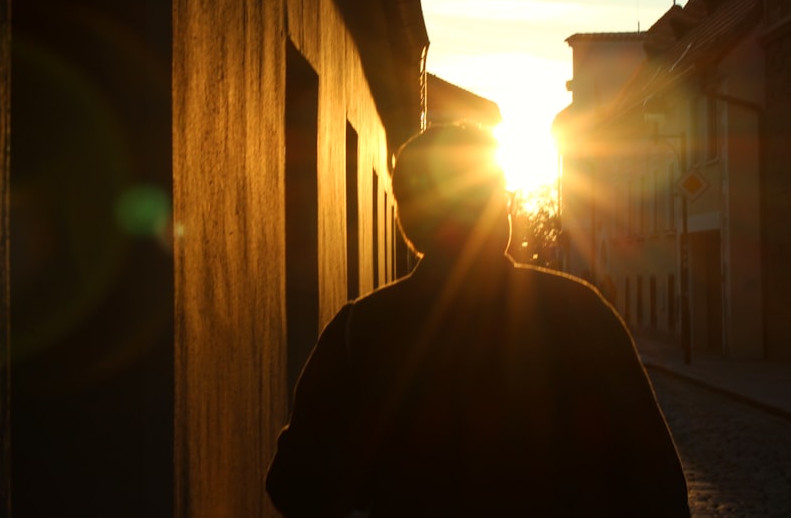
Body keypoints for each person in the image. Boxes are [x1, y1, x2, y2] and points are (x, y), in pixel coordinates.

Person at [266, 122, 690, 517]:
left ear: (407, 219)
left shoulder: (357, 332)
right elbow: (657, 482)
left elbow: (292, 482)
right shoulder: (580, 312)